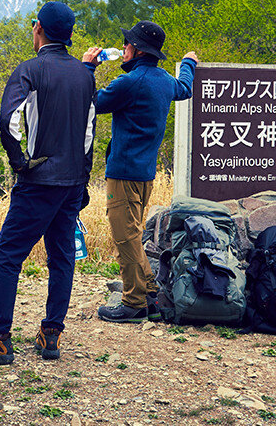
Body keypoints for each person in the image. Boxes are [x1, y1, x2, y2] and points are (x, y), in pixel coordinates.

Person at [0, 1, 96, 365]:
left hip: (39, 181)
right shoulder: (85, 76)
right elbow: (88, 131)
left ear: (38, 29)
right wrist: (82, 179)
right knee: (61, 256)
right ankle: (51, 335)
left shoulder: (30, 70)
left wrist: (21, 163)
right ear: (68, 35)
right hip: (71, 182)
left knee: (8, 255)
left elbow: (8, 122)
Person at [82, 20, 198, 323]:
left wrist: (88, 69)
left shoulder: (130, 82)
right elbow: (185, 87)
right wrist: (188, 63)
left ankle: (133, 304)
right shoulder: (164, 80)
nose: (123, 49)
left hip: (122, 173)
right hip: (145, 173)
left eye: (127, 45)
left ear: (136, 50)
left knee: (125, 236)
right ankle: (147, 292)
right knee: (132, 233)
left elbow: (90, 103)